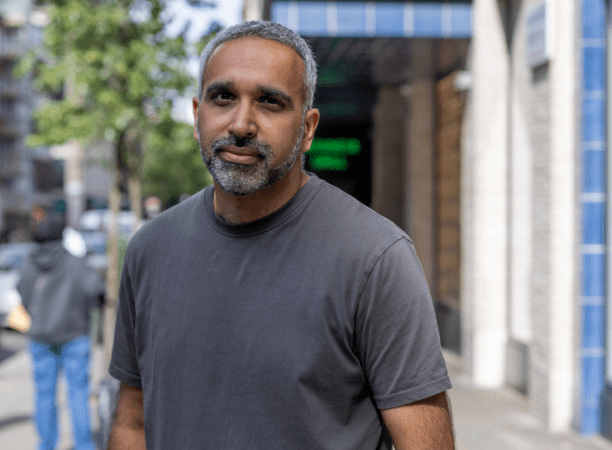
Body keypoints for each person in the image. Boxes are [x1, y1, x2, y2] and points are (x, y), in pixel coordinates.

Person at [107, 21, 454, 450]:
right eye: (223, 97)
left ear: (307, 129)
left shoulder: (375, 258)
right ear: (197, 116)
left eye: (270, 102)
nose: (242, 123)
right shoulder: (149, 250)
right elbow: (132, 423)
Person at [17, 207, 104, 450]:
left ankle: (46, 445)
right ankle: (84, 445)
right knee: (78, 394)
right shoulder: (75, 263)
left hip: (40, 337)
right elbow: (95, 291)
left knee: (44, 396)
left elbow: (23, 296)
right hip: (74, 335)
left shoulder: (28, 264)